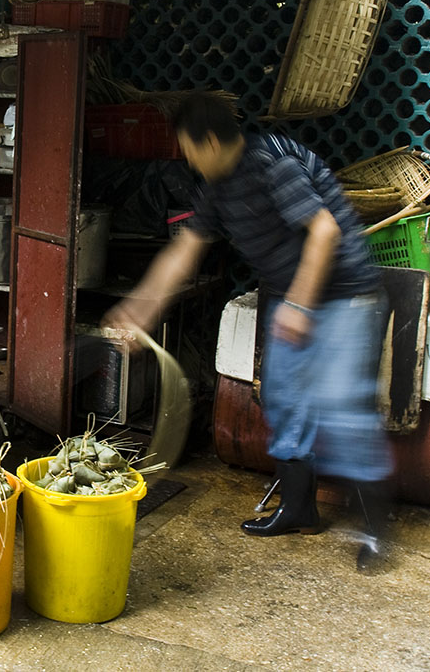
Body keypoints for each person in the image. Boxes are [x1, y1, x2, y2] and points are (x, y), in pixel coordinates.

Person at [101, 91, 393, 571]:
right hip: (291, 298)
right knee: (282, 399)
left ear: (211, 141)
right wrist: (139, 310)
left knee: (342, 405)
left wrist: (298, 304)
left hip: (345, 295)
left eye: (189, 148)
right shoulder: (217, 187)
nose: (187, 159)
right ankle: (300, 509)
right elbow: (184, 251)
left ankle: (377, 530)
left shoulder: (272, 164)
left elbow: (324, 232)